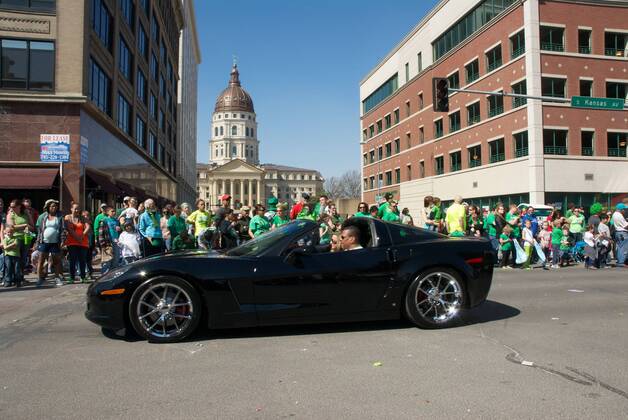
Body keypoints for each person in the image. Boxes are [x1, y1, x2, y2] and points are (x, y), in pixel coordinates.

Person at [35, 199, 64, 287]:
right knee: (41, 260)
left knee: (56, 261)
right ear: (48, 207)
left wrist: (63, 241)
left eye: (55, 206)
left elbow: (63, 229)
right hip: (44, 242)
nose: (54, 207)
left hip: (55, 242)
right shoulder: (43, 217)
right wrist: (37, 241)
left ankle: (57, 277)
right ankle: (39, 278)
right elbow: (39, 230)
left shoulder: (59, 217)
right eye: (52, 206)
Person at [6, 199, 34, 278]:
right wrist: (25, 225)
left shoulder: (25, 214)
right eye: (11, 206)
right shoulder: (10, 215)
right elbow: (11, 227)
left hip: (26, 238)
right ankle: (14, 277)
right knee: (16, 259)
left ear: (19, 206)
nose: (11, 208)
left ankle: (20, 277)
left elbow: (32, 227)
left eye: (13, 206)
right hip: (15, 239)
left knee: (23, 259)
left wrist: (28, 215)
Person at [64, 203, 90, 283]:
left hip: (83, 242)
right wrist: (78, 238)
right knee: (73, 260)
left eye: (78, 209)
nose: (77, 210)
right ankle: (72, 278)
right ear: (71, 209)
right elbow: (69, 229)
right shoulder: (68, 217)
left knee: (82, 260)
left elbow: (88, 227)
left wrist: (82, 236)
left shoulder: (82, 218)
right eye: (75, 209)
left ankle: (83, 277)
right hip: (72, 242)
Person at [611, 203, 627, 267]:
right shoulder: (619, 215)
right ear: (621, 209)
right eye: (624, 209)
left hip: (618, 232)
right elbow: (625, 225)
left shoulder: (614, 214)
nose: (624, 210)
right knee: (623, 248)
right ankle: (621, 262)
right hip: (622, 232)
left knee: (620, 247)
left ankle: (620, 261)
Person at [81, 210, 96, 280]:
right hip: (83, 244)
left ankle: (89, 273)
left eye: (87, 215)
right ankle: (84, 273)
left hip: (90, 244)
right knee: (83, 259)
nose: (86, 217)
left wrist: (94, 245)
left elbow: (93, 235)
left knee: (89, 259)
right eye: (84, 216)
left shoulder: (91, 224)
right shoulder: (81, 224)